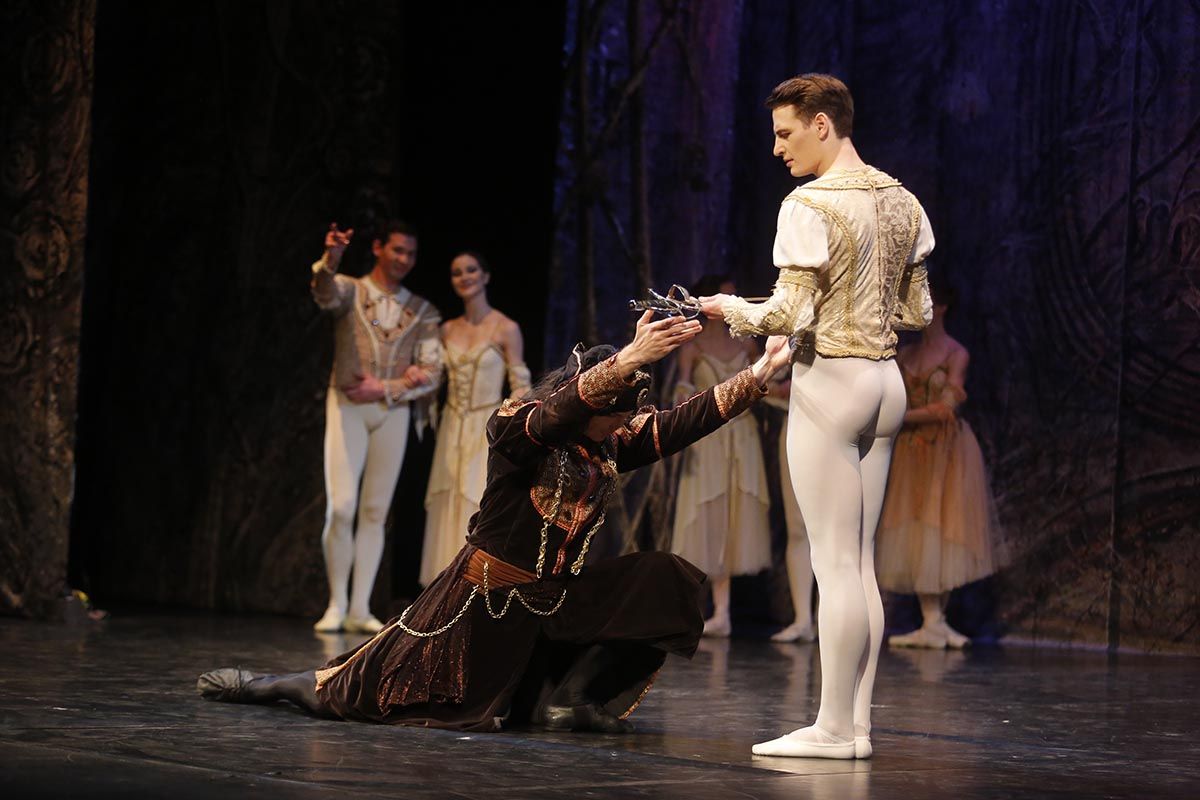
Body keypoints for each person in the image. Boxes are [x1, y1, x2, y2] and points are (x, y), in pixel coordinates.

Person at [198, 314, 795, 733]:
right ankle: (266, 684)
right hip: (482, 604)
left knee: (664, 578)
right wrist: (630, 357)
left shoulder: (607, 443)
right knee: (357, 690)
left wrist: (759, 375)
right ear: (591, 401)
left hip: (554, 605)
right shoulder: (521, 422)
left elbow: (680, 423)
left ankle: (575, 701)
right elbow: (555, 416)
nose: (624, 427)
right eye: (616, 415)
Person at [699, 73, 935, 759]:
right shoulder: (904, 201)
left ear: (823, 124)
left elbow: (781, 313)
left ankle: (834, 729)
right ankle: (855, 725)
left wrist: (723, 309)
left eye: (785, 132)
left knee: (835, 561)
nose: (777, 148)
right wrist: (842, 316)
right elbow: (915, 314)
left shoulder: (810, 204)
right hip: (886, 384)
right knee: (857, 560)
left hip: (832, 384)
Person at [309, 220, 443, 635]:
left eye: (411, 254)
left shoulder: (422, 311)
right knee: (342, 506)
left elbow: (433, 371)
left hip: (391, 411)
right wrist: (330, 259)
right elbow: (324, 294)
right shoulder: (351, 289)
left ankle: (360, 607)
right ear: (380, 249)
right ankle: (337, 603)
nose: (404, 260)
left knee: (374, 511)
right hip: (347, 405)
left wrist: (385, 387)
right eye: (397, 250)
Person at [876, 282, 1004, 649]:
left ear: (942, 306)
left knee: (939, 523)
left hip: (945, 448)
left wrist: (899, 417)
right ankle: (931, 620)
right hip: (910, 448)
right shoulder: (905, 354)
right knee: (914, 526)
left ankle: (936, 619)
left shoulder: (955, 353)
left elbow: (947, 407)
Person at [420, 251, 531, 587]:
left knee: (474, 499)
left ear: (485, 276)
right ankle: (439, 588)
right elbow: (432, 380)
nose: (464, 277)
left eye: (471, 270)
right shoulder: (446, 329)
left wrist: (510, 423)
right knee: (447, 497)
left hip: (486, 426)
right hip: (452, 423)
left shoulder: (506, 328)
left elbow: (521, 384)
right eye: (457, 273)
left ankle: (468, 587)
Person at [670, 275, 772, 637]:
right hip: (706, 436)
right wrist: (682, 398)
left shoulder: (747, 345)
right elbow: (682, 388)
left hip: (741, 437)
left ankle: (724, 612)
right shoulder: (693, 347)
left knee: (732, 516)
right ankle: (694, 609)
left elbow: (771, 379)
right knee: (704, 515)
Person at [764, 376, 817, 644]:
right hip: (797, 422)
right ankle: (803, 619)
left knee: (839, 531)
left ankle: (830, 618)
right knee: (797, 526)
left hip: (838, 424)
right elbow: (775, 383)